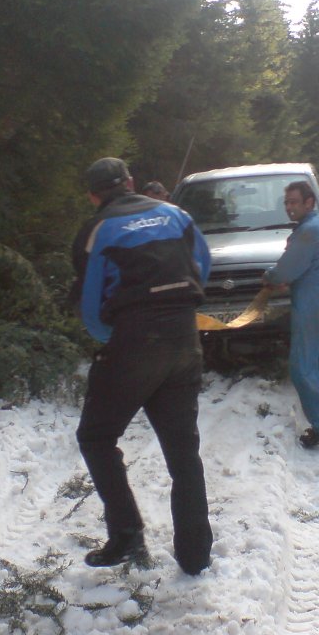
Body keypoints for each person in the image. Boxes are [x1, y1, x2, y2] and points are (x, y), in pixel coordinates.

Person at [71, 157, 214, 575]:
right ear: (131, 182)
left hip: (132, 342)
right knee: (184, 453)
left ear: (93, 195)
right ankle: (194, 556)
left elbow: (91, 303)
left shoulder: (98, 230)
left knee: (96, 437)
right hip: (184, 338)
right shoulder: (176, 215)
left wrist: (111, 339)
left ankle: (127, 536)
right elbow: (202, 265)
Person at [263, 181, 319, 449]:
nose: (289, 207)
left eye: (294, 202)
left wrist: (270, 277)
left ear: (309, 202)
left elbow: (286, 270)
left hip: (311, 300)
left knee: (301, 366)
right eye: (286, 202)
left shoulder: (307, 232)